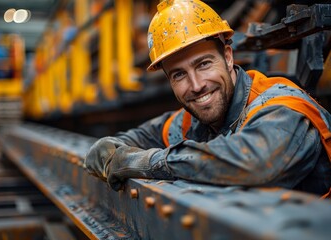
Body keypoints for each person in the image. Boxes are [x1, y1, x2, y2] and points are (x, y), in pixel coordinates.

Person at [84, 0, 331, 197]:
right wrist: (108, 147)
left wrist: (146, 162)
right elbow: (136, 139)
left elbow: (254, 163)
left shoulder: (284, 108)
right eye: (179, 74)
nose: (196, 85)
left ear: (228, 57)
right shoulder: (188, 123)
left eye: (203, 64)